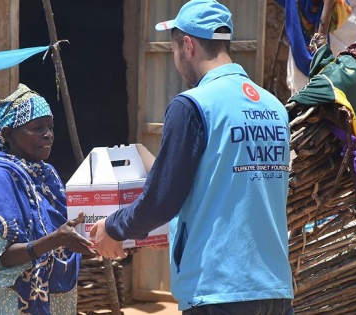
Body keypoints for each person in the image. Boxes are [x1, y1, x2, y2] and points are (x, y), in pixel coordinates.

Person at [89, 1, 294, 314]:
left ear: (188, 45)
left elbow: (161, 198)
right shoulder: (274, 108)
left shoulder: (193, 106)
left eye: (173, 49)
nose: (174, 58)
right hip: (275, 289)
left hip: (217, 291)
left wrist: (114, 228)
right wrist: (173, 232)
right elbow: (237, 191)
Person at [0, 84, 95, 315]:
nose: (48, 134)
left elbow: (63, 235)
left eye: (50, 127)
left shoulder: (46, 175)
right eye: (37, 128)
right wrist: (57, 239)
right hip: (7, 301)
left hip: (51, 295)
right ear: (9, 134)